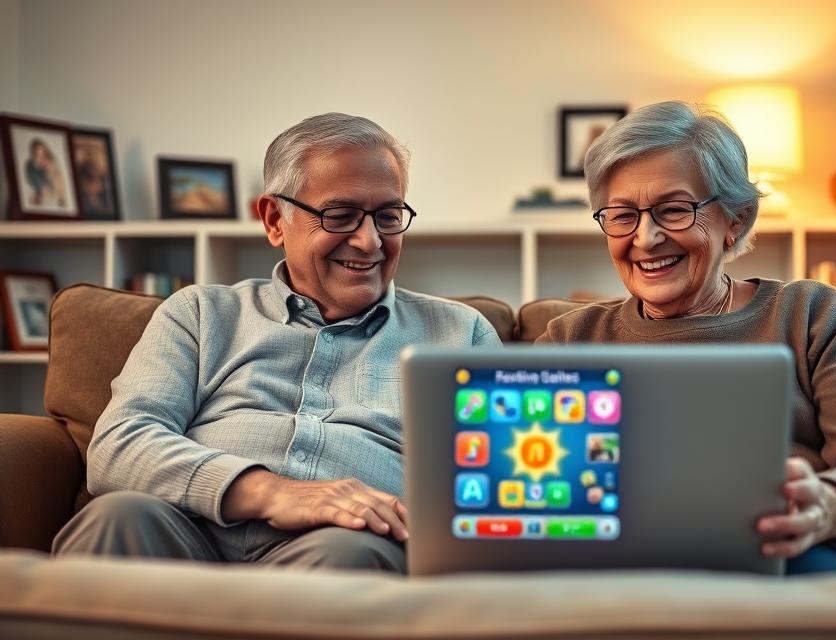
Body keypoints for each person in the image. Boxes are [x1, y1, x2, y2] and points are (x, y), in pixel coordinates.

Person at [53, 113, 501, 573]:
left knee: (350, 556)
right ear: (274, 219)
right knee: (118, 518)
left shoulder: (460, 334)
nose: (370, 242)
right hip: (185, 532)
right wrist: (269, 491)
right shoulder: (201, 313)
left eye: (388, 217)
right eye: (340, 215)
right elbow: (118, 446)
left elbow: (490, 489)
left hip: (340, 547)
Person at [536, 101, 836, 574]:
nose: (645, 239)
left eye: (674, 210)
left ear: (737, 220)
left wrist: (827, 508)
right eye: (622, 216)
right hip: (613, 564)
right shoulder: (569, 341)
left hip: (783, 555)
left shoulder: (810, 315)